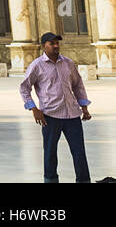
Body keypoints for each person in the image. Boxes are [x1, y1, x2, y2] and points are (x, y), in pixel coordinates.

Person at [20, 32, 91, 183]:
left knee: (79, 152)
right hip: (50, 116)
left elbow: (78, 86)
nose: (56, 45)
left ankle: (83, 180)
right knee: (50, 152)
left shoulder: (68, 63)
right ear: (44, 46)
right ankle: (51, 180)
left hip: (72, 115)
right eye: (52, 43)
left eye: (57, 43)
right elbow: (24, 88)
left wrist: (84, 107)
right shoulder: (37, 66)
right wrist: (34, 109)